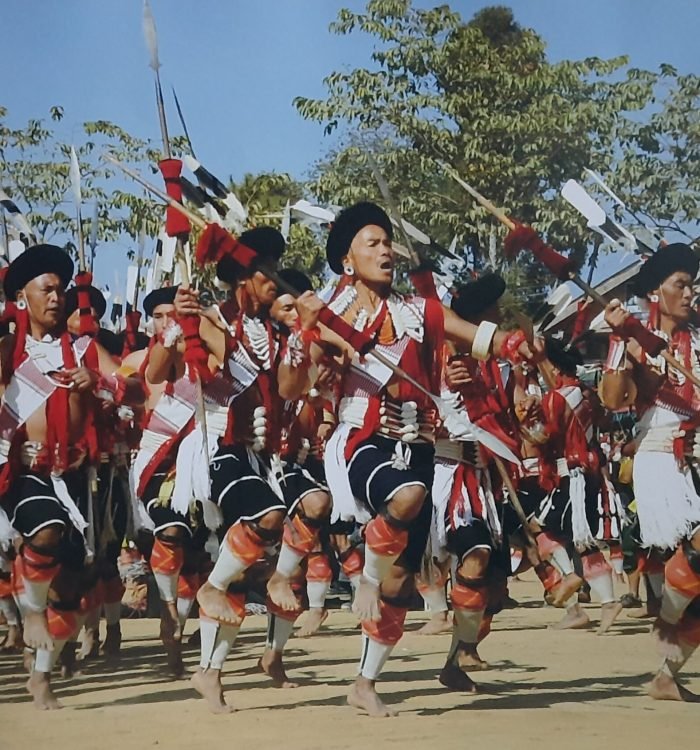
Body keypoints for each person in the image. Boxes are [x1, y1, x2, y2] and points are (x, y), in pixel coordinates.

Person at [286, 202, 536, 716]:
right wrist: (303, 335)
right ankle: (366, 580)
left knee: (402, 580)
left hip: (419, 450)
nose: (386, 251)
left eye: (387, 242)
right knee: (406, 497)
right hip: (362, 441)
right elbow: (292, 386)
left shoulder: (420, 311)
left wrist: (515, 344)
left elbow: (476, 336)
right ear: (348, 260)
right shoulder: (328, 315)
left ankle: (364, 680)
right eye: (372, 243)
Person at [0, 244, 143, 709]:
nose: (57, 298)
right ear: (23, 297)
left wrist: (98, 382)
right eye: (47, 289)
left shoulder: (82, 347)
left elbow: (134, 387)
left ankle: (42, 676)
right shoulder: (7, 350)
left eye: (62, 290)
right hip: (22, 470)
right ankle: (31, 613)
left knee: (76, 586)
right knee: (44, 529)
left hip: (75, 474)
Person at [601, 243, 700, 701]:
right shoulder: (634, 343)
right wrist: (621, 341)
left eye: (693, 285)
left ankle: (665, 675)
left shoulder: (698, 338)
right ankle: (666, 611)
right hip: (663, 459)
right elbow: (614, 399)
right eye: (681, 284)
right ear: (656, 292)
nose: (690, 293)